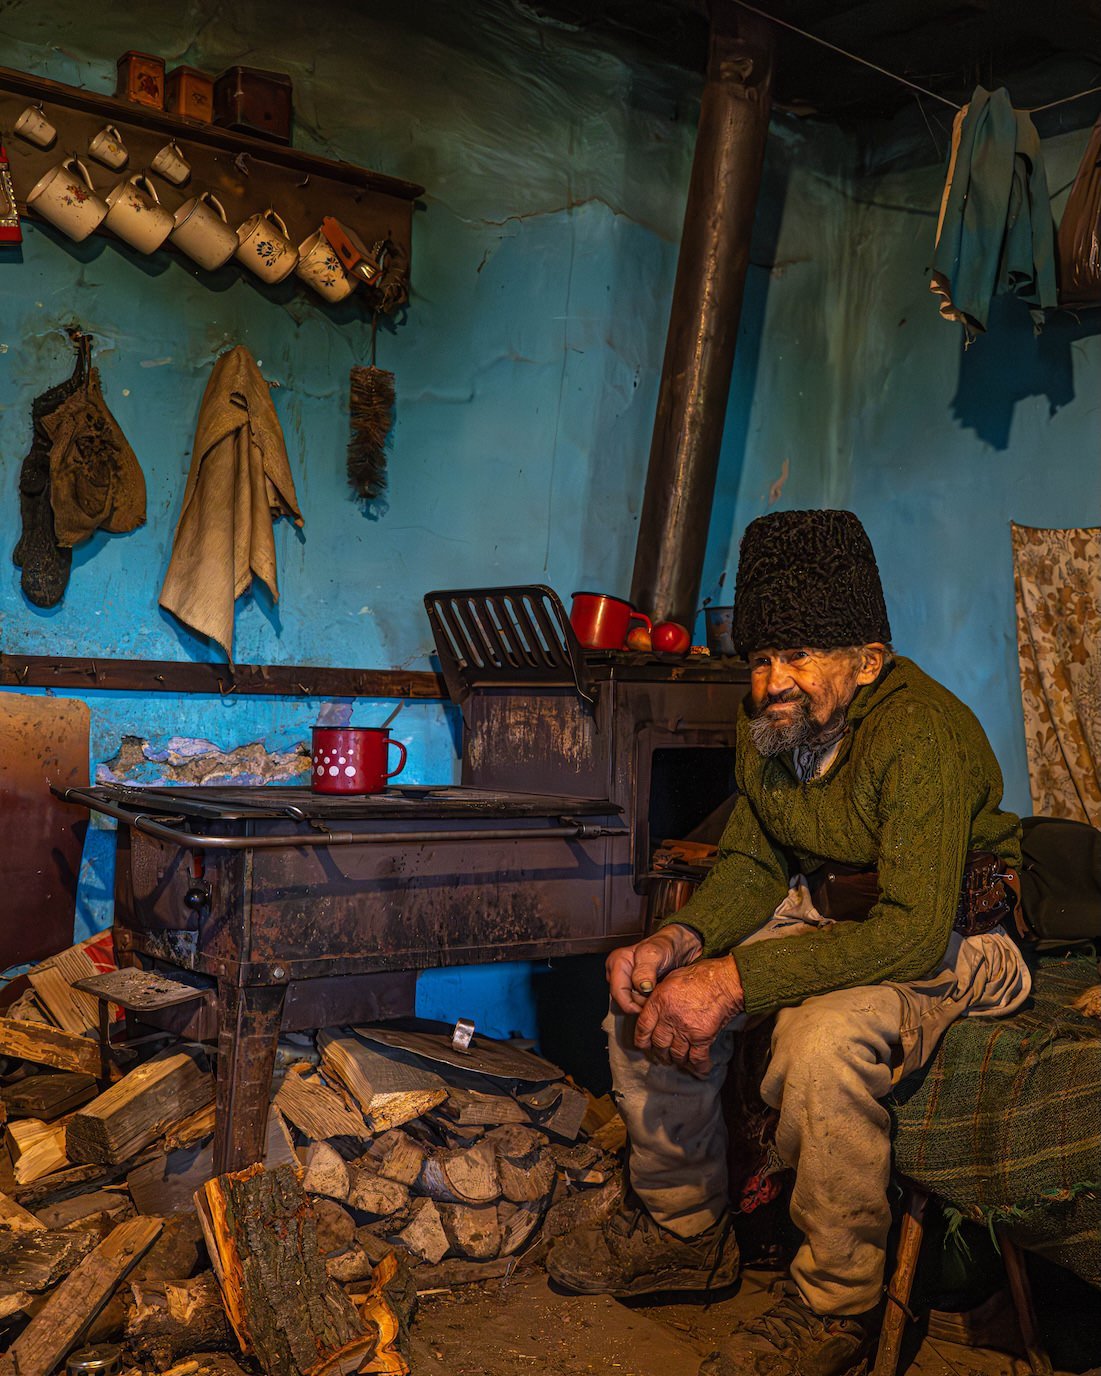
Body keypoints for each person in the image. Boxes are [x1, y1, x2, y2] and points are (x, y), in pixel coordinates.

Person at [547, 509, 1031, 1376]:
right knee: (643, 1003)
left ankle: (832, 1306)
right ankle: (684, 1232)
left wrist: (735, 981)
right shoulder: (766, 725)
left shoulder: (918, 733)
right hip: (833, 915)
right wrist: (680, 939)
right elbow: (753, 858)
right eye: (763, 657)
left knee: (818, 1045)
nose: (774, 680)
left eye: (800, 656)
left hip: (959, 933)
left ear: (867, 662)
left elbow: (915, 933)